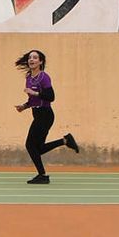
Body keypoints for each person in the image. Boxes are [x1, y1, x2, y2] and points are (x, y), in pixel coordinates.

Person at [14, 49, 79, 184]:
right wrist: (24, 106)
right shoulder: (29, 78)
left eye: (35, 58)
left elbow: (51, 97)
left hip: (45, 114)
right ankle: (65, 141)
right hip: (37, 113)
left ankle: (42, 175)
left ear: (41, 62)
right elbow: (33, 100)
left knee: (30, 145)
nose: (31, 60)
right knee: (38, 148)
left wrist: (35, 93)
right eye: (30, 57)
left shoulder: (44, 77)